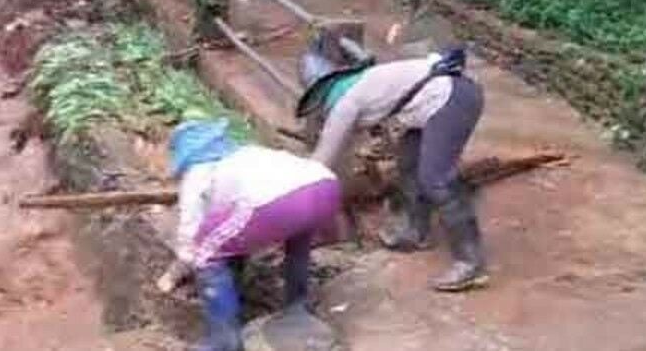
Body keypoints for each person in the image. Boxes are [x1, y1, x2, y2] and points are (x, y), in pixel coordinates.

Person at [295, 30, 489, 292]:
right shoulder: (360, 82)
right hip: (438, 99)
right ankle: (415, 232)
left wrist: (291, 192)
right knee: (409, 166)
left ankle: (470, 263)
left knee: (436, 179)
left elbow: (321, 163)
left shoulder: (345, 105)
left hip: (451, 100)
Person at [156, 118, 343, 351]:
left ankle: (224, 340)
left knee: (206, 251)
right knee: (297, 242)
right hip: (325, 185)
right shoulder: (248, 154)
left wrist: (176, 271)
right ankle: (297, 306)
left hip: (274, 202)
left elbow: (191, 236)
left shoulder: (197, 173)